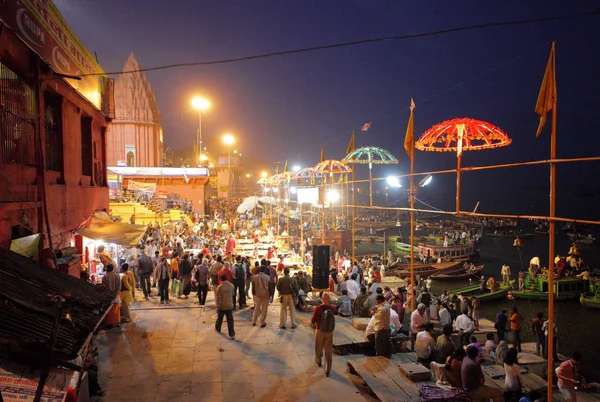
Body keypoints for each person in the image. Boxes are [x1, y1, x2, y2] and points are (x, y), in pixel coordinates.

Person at [311, 292, 336, 377]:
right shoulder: (332, 308)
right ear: (329, 299)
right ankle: (327, 369)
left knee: (318, 347)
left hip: (320, 330)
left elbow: (313, 320)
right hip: (329, 332)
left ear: (322, 299)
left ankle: (318, 361)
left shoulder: (318, 308)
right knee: (328, 351)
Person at [215, 274, 235, 340]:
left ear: (221, 279)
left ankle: (218, 328)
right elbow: (233, 295)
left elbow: (218, 299)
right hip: (229, 305)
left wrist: (217, 308)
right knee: (230, 320)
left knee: (220, 318)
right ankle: (231, 334)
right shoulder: (231, 286)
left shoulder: (220, 287)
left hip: (222, 306)